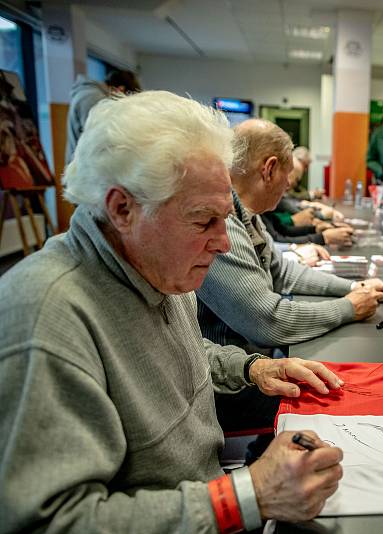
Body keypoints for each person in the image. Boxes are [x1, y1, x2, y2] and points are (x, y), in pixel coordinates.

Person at [0, 91, 343, 532]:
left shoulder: (158, 267)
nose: (222, 243)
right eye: (203, 221)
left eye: (224, 219)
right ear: (122, 208)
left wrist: (250, 368)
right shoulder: (46, 319)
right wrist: (246, 497)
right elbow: (53, 522)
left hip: (208, 493)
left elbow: (178, 353)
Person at [196, 118, 383, 359]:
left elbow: (283, 273)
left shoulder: (248, 215)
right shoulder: (223, 225)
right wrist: (349, 307)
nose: (288, 184)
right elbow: (269, 322)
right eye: (287, 175)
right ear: (269, 169)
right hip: (240, 377)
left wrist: (353, 287)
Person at [65, 69, 140, 162]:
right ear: (120, 90)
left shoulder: (91, 94)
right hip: (82, 170)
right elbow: (99, 144)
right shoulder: (93, 99)